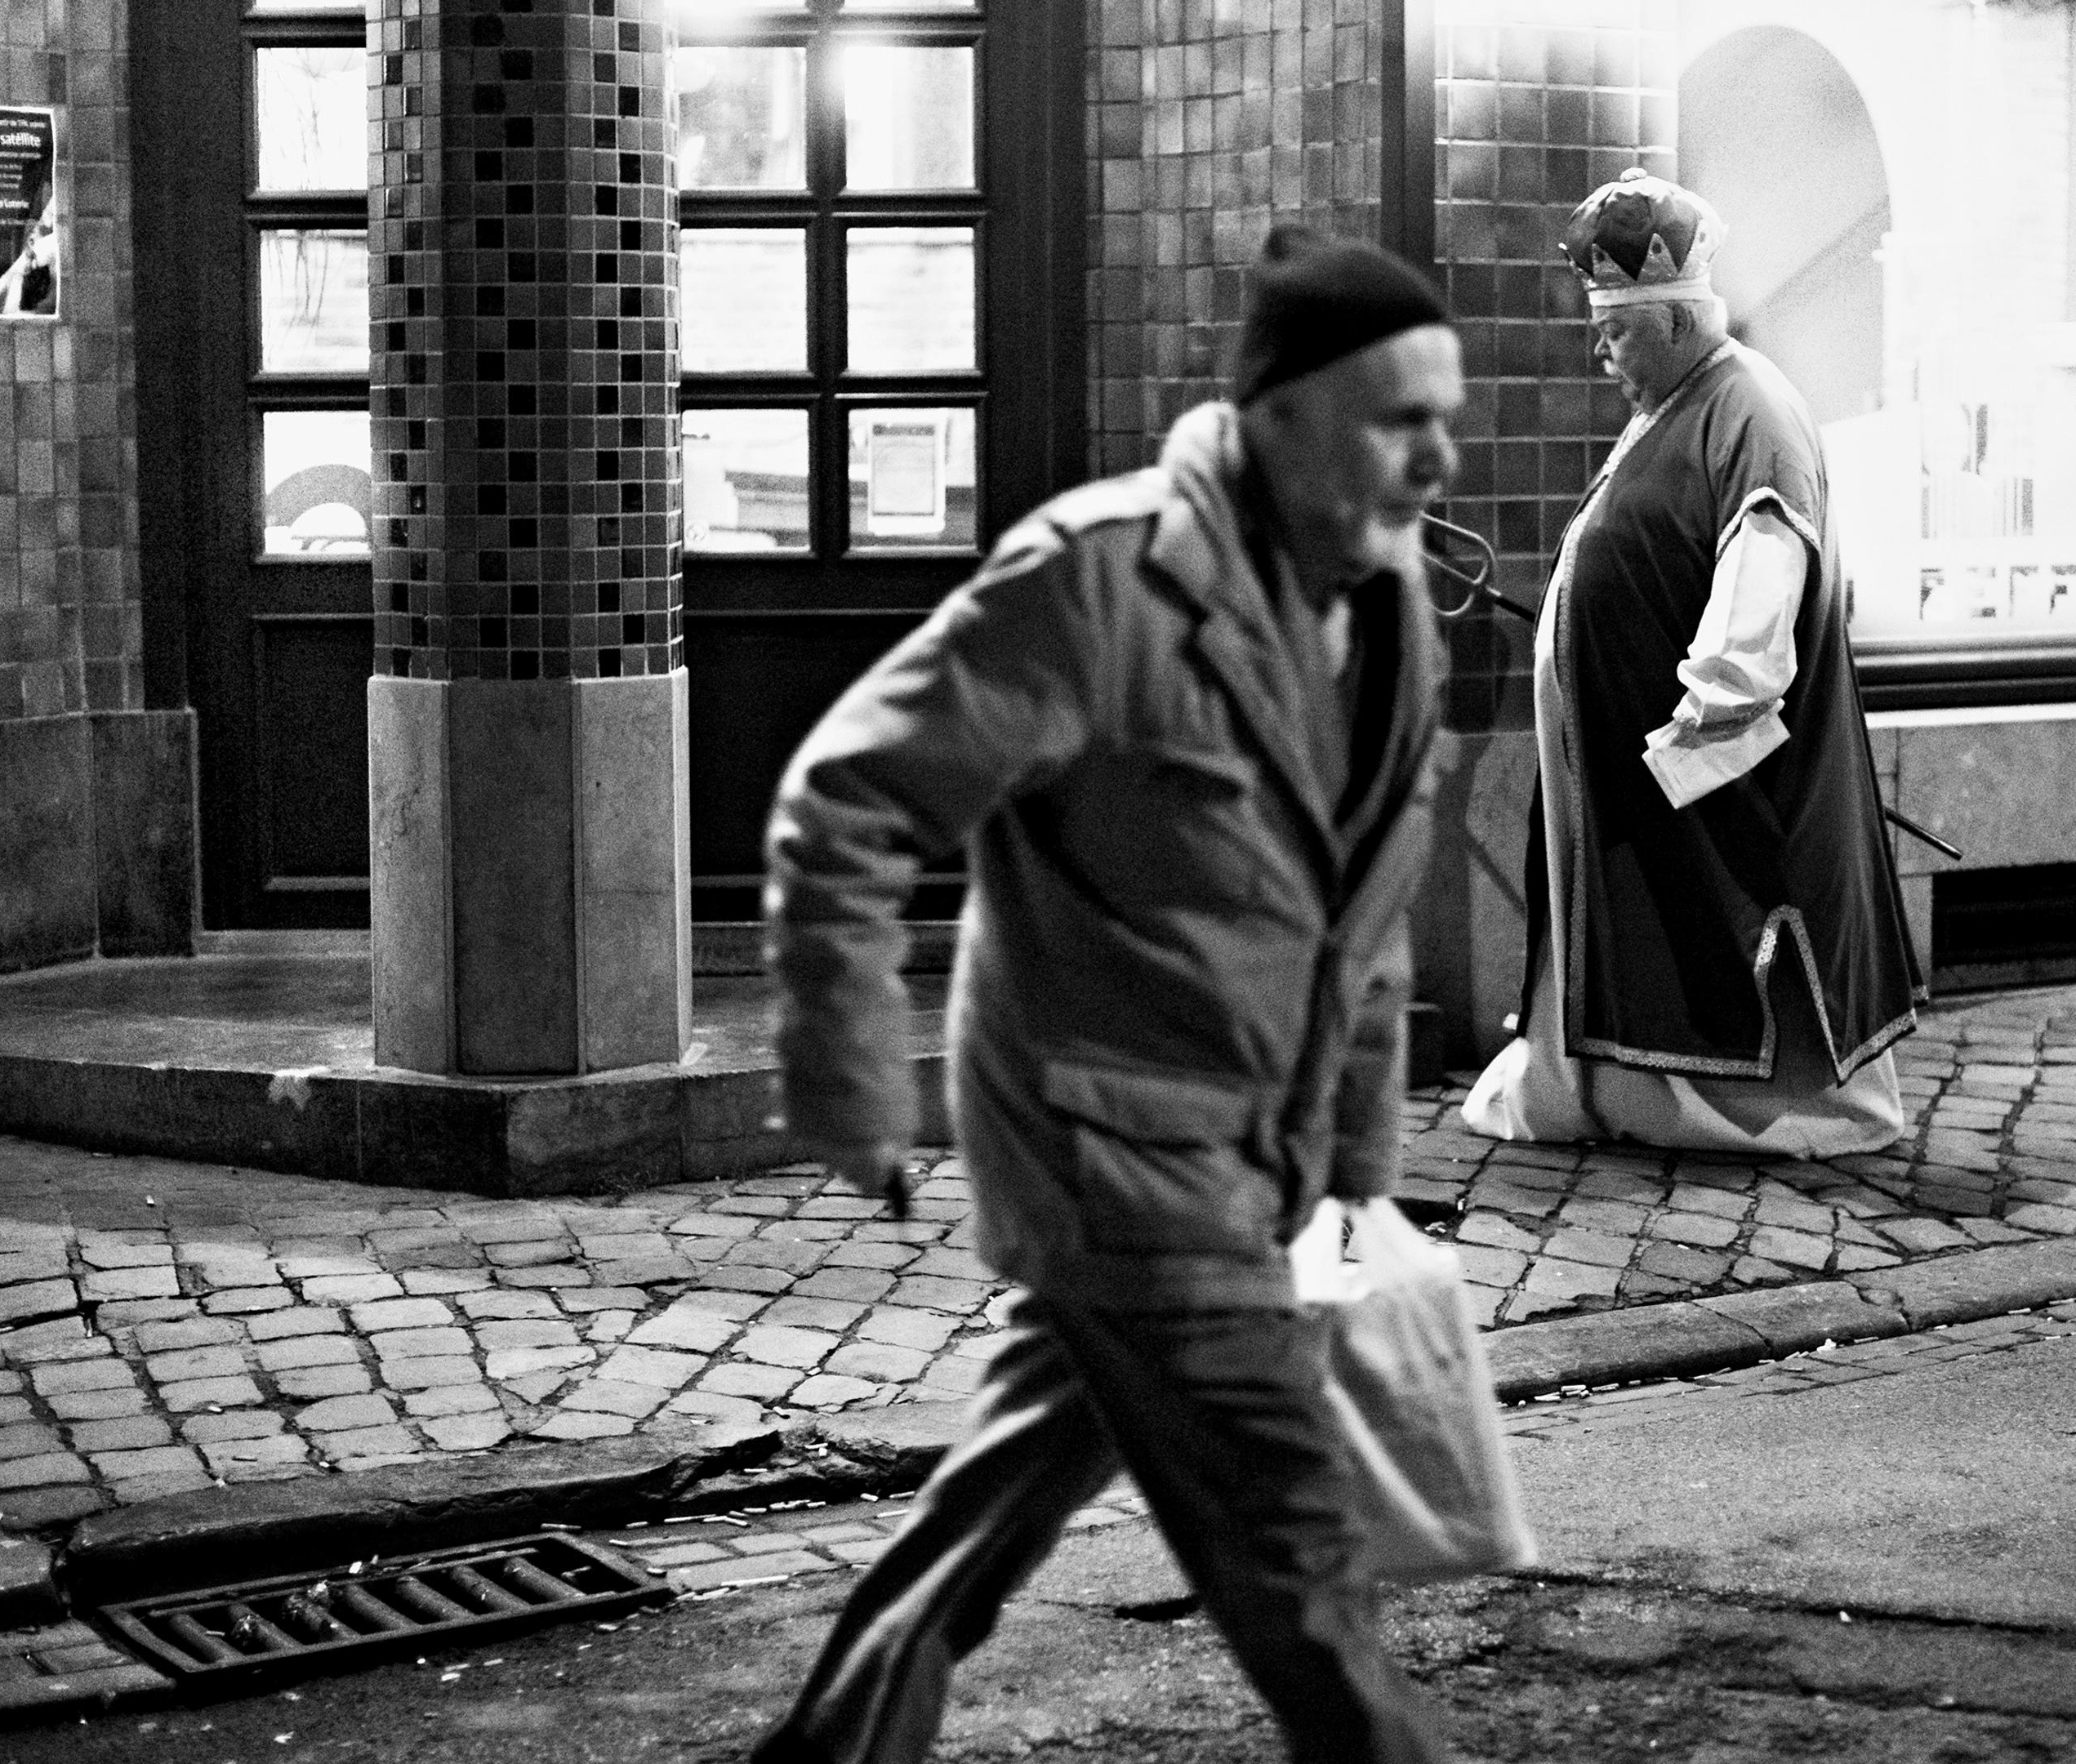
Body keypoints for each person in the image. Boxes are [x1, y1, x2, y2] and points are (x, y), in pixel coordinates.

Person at [751, 225, 1464, 1764]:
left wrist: (1354, 1179)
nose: (1440, 461)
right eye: (1404, 420)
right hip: (1111, 1157)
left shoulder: (1395, 615)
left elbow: (1367, 926)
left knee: (993, 1503)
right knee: (1300, 1561)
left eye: (1445, 421)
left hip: (1244, 1165)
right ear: (1282, 417)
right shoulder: (1098, 579)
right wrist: (853, 1091)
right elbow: (848, 803)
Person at [1462, 167, 1922, 1160]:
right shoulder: (1685, 400)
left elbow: (1759, 605)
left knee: (1710, 964)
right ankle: (1610, 1088)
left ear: (1675, 320)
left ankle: (1727, 1109)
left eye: (1617, 332)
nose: (1601, 354)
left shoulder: (1749, 410)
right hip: (1643, 783)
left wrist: (1678, 755)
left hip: (1703, 787)